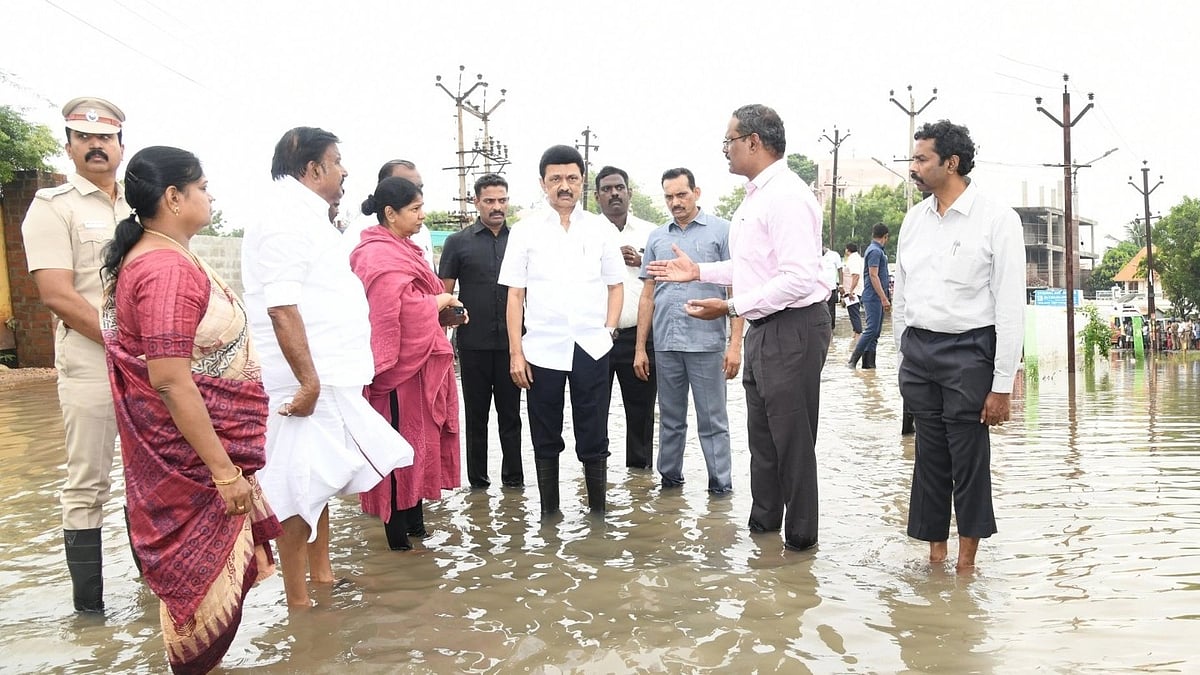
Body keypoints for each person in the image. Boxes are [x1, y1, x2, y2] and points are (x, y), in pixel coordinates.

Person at [99, 146, 283, 673]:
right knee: (195, 595)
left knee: (201, 596)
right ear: (174, 197)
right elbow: (171, 379)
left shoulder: (165, 256)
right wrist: (225, 473)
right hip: (193, 462)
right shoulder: (163, 269)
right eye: (203, 186)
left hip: (191, 451)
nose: (212, 195)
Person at [648, 104, 832, 551]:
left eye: (728, 141)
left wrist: (730, 308)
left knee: (791, 440)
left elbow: (797, 279)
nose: (725, 150)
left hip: (793, 325)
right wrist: (698, 273)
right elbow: (752, 267)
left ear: (753, 141)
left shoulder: (786, 195)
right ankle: (765, 532)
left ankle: (800, 545)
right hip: (766, 326)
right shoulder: (756, 197)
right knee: (763, 440)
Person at [241, 127, 411, 607]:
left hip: (328, 376)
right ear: (313, 169)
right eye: (337, 161)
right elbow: (281, 306)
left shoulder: (310, 216)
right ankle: (299, 600)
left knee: (317, 479)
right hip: (304, 382)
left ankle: (323, 575)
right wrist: (308, 381)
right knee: (297, 487)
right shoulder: (283, 218)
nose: (345, 170)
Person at [893, 120, 1025, 571]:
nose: (913, 167)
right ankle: (935, 559)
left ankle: (967, 565)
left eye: (921, 159)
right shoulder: (914, 220)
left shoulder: (996, 219)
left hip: (970, 352)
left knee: (968, 459)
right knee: (928, 457)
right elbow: (904, 295)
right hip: (920, 353)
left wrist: (1002, 384)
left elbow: (1009, 307)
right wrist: (902, 357)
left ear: (951, 163)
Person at [21, 96, 131, 612]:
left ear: (120, 145)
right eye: (83, 137)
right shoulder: (52, 206)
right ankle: (90, 613)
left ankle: (160, 597)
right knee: (88, 482)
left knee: (149, 478)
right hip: (91, 362)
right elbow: (57, 295)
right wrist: (126, 346)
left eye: (104, 138)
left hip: (152, 368)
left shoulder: (145, 202)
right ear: (68, 146)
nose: (95, 146)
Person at [497, 145, 624, 515]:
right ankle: (549, 516)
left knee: (594, 434)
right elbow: (515, 294)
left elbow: (616, 285)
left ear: (582, 180)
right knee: (545, 434)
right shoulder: (525, 231)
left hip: (591, 347)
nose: (563, 186)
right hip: (541, 349)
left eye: (571, 178)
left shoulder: (600, 229)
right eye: (555, 179)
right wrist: (516, 352)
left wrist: (608, 331)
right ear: (543, 183)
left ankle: (598, 517)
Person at [352, 177, 464, 550]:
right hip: (396, 370)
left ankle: (416, 526)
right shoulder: (375, 255)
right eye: (415, 209)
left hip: (421, 366)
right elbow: (390, 313)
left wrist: (445, 310)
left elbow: (422, 300)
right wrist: (439, 302)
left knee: (420, 446)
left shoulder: (406, 249)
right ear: (390, 213)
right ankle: (397, 541)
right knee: (396, 450)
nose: (422, 215)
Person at [636, 167, 741, 494]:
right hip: (666, 342)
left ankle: (720, 488)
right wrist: (641, 347)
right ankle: (669, 484)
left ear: (697, 192)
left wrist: (735, 345)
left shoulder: (722, 232)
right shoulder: (656, 237)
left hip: (707, 344)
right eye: (668, 196)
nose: (675, 202)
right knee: (670, 420)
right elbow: (648, 294)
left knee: (713, 422)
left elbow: (735, 290)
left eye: (681, 194)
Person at [439, 173, 524, 490]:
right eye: (489, 200)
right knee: (476, 418)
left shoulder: (519, 241)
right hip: (472, 346)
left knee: (511, 417)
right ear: (476, 202)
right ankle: (477, 485)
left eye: (502, 200)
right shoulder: (457, 243)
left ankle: (514, 484)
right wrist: (452, 316)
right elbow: (442, 295)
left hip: (512, 346)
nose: (497, 206)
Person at [595, 166, 659, 470]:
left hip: (640, 337)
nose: (614, 193)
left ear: (629, 192)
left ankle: (640, 482)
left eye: (619, 187)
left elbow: (668, 277)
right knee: (593, 412)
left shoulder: (652, 232)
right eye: (606, 189)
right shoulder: (586, 233)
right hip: (596, 336)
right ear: (597, 197)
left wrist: (643, 261)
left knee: (642, 413)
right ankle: (594, 478)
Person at [343, 160, 435, 269]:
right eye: (407, 186)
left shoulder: (422, 230)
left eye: (419, 187)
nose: (416, 192)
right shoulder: (359, 232)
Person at [848, 224, 891, 369]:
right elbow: (873, 275)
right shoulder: (874, 251)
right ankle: (853, 360)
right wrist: (884, 298)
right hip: (873, 296)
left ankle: (869, 365)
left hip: (877, 296)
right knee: (871, 329)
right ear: (885, 236)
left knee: (876, 332)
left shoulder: (876, 250)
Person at [842, 242, 864, 340]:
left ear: (847, 250)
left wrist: (851, 291)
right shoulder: (857, 258)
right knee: (853, 312)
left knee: (854, 313)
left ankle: (858, 334)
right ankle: (855, 332)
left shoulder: (853, 260)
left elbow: (856, 275)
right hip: (854, 290)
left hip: (853, 291)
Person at [821, 245, 843, 324]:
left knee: (831, 310)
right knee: (820, 311)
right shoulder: (815, 255)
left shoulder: (834, 255)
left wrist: (841, 284)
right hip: (819, 289)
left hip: (831, 288)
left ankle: (831, 329)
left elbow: (840, 269)